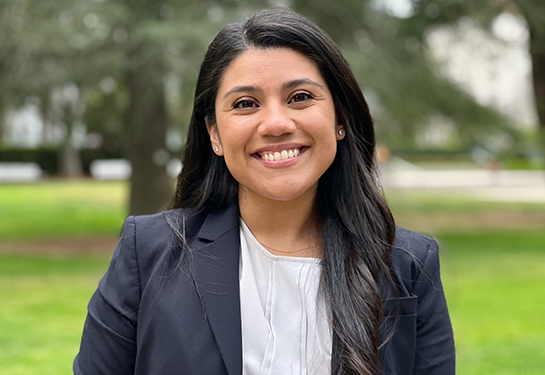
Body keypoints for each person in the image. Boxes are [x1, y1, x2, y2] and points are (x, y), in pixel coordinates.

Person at [74, 8, 454, 375]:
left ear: (340, 118)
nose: (275, 123)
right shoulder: (149, 253)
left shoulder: (408, 265)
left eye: (300, 97)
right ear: (214, 135)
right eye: (245, 104)